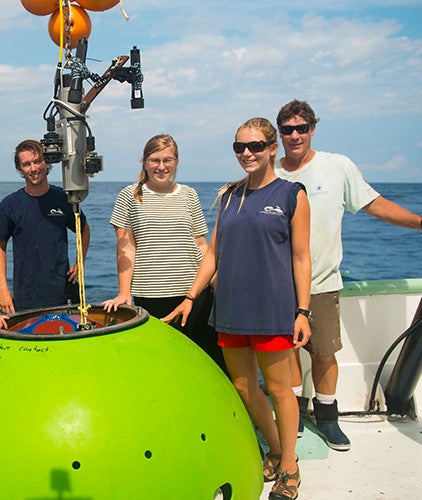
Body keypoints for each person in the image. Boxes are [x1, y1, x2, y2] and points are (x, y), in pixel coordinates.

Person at [274, 99, 422, 451]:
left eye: (302, 128)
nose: (295, 135)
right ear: (279, 134)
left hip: (322, 283)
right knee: (286, 353)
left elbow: (374, 203)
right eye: (287, 129)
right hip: (278, 285)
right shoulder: (270, 170)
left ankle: (327, 417)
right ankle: (294, 414)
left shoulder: (337, 166)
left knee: (324, 354)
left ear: (313, 129)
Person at [165, 117, 311, 500]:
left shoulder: (291, 194)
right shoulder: (229, 195)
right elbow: (212, 252)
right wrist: (190, 297)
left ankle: (290, 468)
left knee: (280, 390)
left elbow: (300, 257)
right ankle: (276, 450)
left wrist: (303, 312)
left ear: (272, 148)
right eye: (239, 147)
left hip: (273, 310)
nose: (247, 153)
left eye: (255, 146)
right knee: (245, 389)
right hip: (230, 308)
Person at [101, 134, 227, 374]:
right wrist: (124, 293)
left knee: (209, 362)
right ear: (145, 162)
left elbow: (201, 244)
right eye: (155, 160)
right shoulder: (129, 195)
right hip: (152, 294)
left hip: (195, 293)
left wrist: (216, 283)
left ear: (176, 161)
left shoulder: (189, 194)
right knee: (166, 364)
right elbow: (126, 246)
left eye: (167, 160)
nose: (161, 166)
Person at [0, 139, 90, 313]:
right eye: (26, 164)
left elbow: (83, 228)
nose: (33, 168)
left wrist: (79, 261)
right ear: (20, 169)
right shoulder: (10, 204)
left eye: (37, 161)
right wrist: (2, 288)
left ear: (47, 163)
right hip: (26, 296)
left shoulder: (64, 198)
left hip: (64, 293)